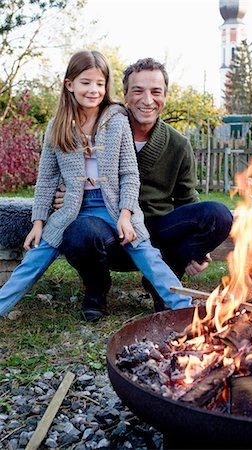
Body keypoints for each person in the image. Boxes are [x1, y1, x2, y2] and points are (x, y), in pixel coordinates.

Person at [0, 50, 192, 321]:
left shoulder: (117, 121)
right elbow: (46, 179)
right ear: (70, 85)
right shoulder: (57, 127)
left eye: (100, 84)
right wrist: (39, 221)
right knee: (32, 263)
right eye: (86, 83)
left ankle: (185, 310)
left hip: (114, 206)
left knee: (150, 258)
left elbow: (129, 173)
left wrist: (126, 214)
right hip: (73, 211)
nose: (93, 90)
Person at [57, 57, 233, 313]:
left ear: (165, 95)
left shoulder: (178, 145)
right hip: (108, 233)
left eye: (156, 92)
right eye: (138, 90)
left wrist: (197, 249)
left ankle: (163, 283)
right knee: (79, 233)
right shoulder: (98, 130)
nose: (147, 100)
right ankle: (96, 289)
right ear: (124, 94)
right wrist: (61, 194)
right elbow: (69, 171)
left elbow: (187, 201)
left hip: (159, 238)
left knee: (218, 214)